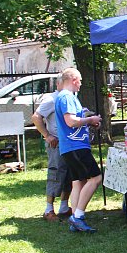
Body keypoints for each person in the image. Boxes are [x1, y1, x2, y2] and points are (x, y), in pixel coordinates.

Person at [54, 67, 102, 234]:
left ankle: (75, 217)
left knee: (78, 182)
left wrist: (89, 121)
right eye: (79, 81)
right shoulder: (67, 97)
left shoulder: (65, 96)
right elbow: (71, 121)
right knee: (96, 178)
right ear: (74, 80)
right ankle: (78, 216)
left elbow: (76, 119)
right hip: (75, 146)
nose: (81, 84)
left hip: (69, 147)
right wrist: (91, 119)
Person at [32, 74, 72, 222]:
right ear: (59, 84)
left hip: (68, 142)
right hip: (56, 143)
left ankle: (64, 206)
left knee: (69, 174)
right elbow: (36, 117)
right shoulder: (51, 99)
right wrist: (47, 135)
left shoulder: (68, 97)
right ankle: (48, 209)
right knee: (56, 172)